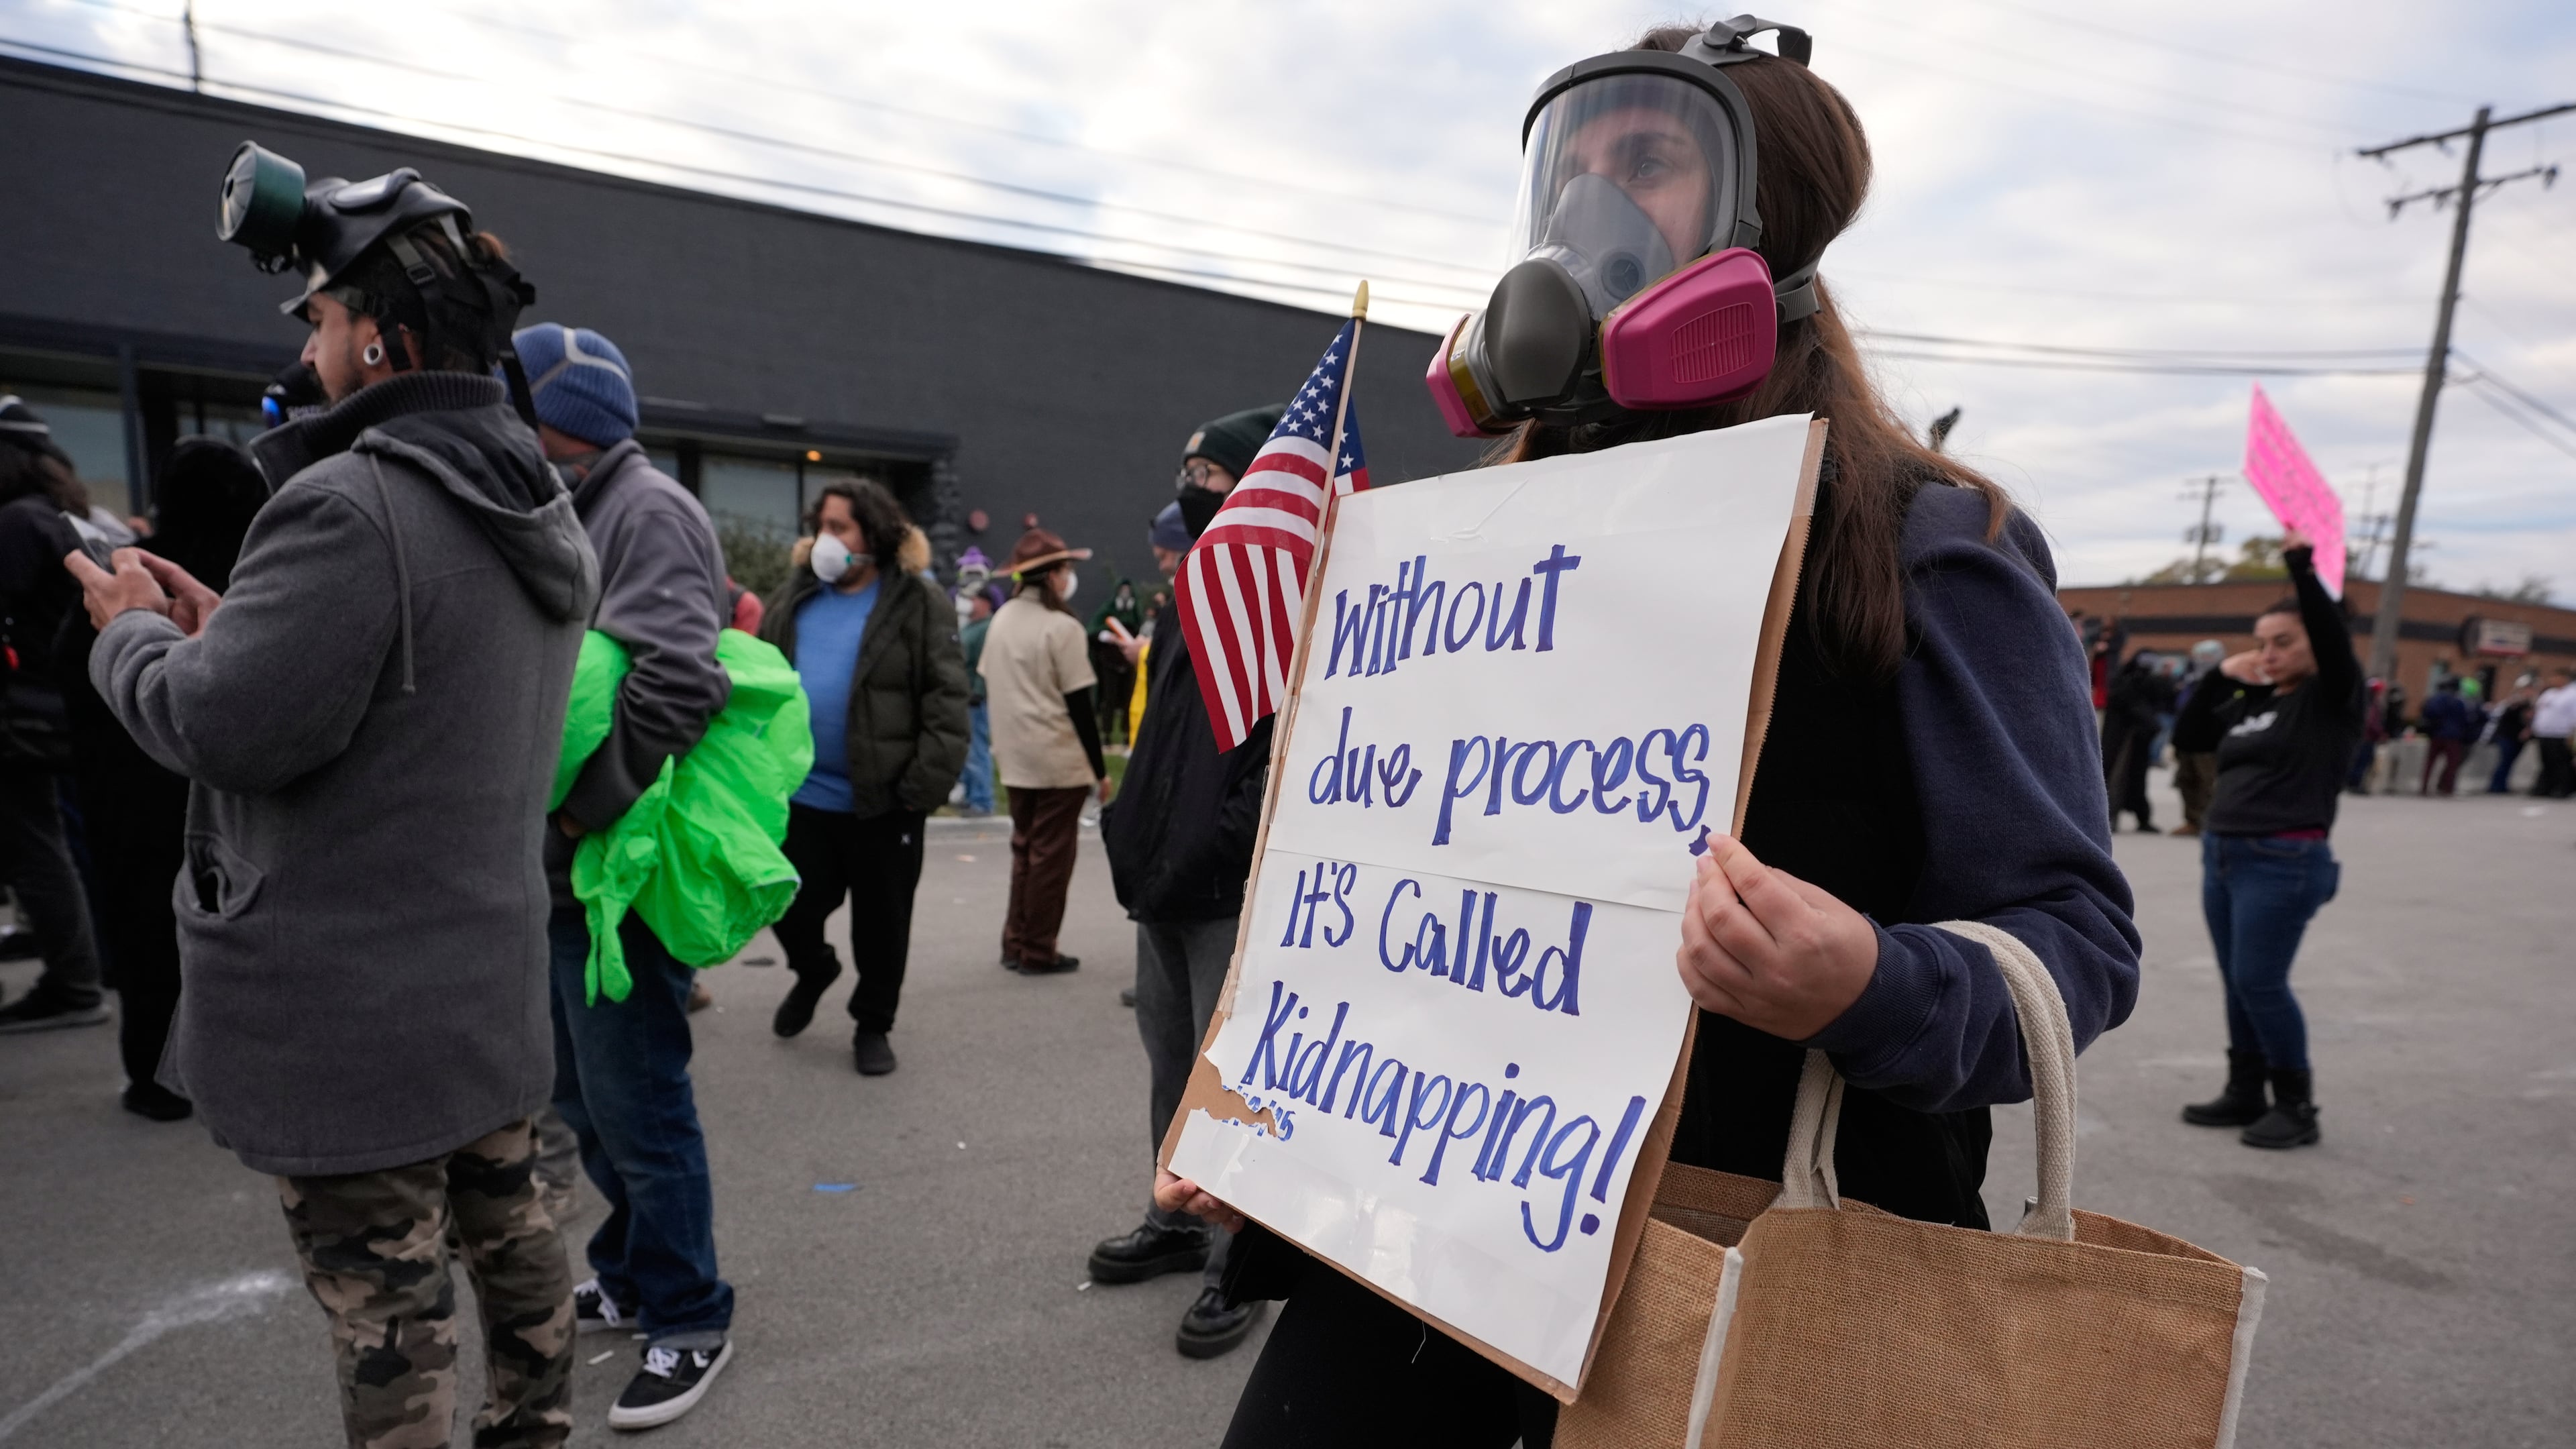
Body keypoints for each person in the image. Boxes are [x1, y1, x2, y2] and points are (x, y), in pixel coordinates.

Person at [1158, 23, 2140, 1445]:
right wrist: (1282, 1108)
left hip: (1753, 1264)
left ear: (1769, 221)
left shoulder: (1929, 547)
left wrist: (1868, 980)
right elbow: (1394, 904)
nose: (1587, 213)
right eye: (1569, 175)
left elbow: (2075, 944)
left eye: (1649, 162)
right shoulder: (1480, 552)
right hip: (1426, 1247)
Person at [69, 152, 590, 1448]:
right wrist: (236, 622)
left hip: (356, 1019)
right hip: (479, 993)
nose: (311, 345)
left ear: (385, 335)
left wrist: (133, 633)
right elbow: (401, 689)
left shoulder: (353, 505)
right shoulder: (532, 496)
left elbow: (219, 727)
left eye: (322, 318)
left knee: (389, 1320)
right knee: (516, 1239)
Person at [513, 322, 743, 1430]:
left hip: (613, 868)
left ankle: (692, 1316)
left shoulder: (644, 510)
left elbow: (676, 688)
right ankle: (634, 1265)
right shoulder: (576, 502)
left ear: (570, 419)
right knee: (585, 1102)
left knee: (640, 1104)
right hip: (572, 878)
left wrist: (575, 812)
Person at [1091, 407, 1282, 1360]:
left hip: (1222, 884)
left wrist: (1220, 841)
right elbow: (1163, 736)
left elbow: (1285, 751)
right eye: (1186, 469)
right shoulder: (1190, 592)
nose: (1188, 486)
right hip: (1161, 879)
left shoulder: (1284, 592)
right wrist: (1133, 827)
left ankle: (1231, 1262)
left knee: (1226, 1082)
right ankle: (1175, 1217)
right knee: (1171, 1064)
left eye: (1208, 473)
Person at [55, 436, 266, 1116]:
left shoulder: (133, 577)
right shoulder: (256, 575)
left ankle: (157, 1076)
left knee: (144, 932)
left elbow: (73, 664)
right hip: (221, 801)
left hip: (126, 793)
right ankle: (228, 1071)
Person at [762, 479, 969, 1073]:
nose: (825, 539)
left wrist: (918, 793)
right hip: (801, 797)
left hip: (885, 802)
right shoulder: (796, 597)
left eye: (840, 527)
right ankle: (814, 969)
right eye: (822, 525)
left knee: (882, 927)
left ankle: (872, 1024)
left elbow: (947, 701)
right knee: (787, 906)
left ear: (874, 535)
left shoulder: (916, 601)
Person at [2169, 527, 2359, 1151]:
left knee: (2260, 981)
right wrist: (2224, 673)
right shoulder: (2255, 700)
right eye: (2262, 644)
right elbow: (2192, 734)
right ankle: (2245, 1088)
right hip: (2222, 854)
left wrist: (2301, 565)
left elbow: (2333, 644)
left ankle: (2297, 1106)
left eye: (2284, 641)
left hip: (2284, 860)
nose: (2270, 653)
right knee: (2237, 979)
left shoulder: (2332, 699)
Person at [0, 397, 111, 1034]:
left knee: (35, 848)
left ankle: (73, 983)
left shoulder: (17, 523)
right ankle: (75, 978)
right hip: (61, 706)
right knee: (46, 844)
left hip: (24, 713)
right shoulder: (61, 517)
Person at [980, 527, 1114, 975]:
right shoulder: (1063, 628)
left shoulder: (1001, 621)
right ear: (1054, 575)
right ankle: (1038, 949)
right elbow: (1081, 706)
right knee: (1051, 860)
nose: (1069, 577)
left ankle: (1014, 942)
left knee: (1025, 852)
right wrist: (1100, 771)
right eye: (1066, 569)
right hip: (1058, 760)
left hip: (1015, 760)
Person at [2100, 648, 2170, 833]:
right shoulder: (2124, 681)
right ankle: (2110, 816)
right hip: (2119, 741)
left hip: (2139, 740)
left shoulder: (2150, 683)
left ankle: (2142, 817)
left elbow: (2162, 699)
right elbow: (2123, 700)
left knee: (2137, 780)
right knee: (2115, 779)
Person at [2169, 639, 2226, 836]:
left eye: (2207, 656)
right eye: (2200, 656)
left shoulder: (2222, 680)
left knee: (2207, 784)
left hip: (2207, 743)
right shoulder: (2189, 679)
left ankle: (2210, 823)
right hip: (2185, 740)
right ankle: (2193, 821)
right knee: (2186, 781)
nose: (2202, 660)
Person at [2417, 676, 2473, 796]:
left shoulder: (2435, 699)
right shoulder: (2458, 701)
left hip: (2437, 735)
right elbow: (2465, 720)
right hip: (2453, 737)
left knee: (2430, 763)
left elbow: (2427, 714)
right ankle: (2447, 789)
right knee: (2451, 764)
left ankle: (2424, 788)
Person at [2529, 667, 2576, 798]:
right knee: (2546, 762)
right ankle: (2545, 788)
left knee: (2561, 763)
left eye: (2556, 677)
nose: (2553, 680)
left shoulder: (2572, 694)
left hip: (2561, 734)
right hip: (2544, 733)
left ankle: (2563, 789)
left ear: (2564, 679)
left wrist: (2572, 735)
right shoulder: (2548, 694)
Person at [2487, 679, 2535, 794]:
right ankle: (2496, 786)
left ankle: (2501, 785)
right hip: (2508, 736)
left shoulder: (2529, 704)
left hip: (2518, 739)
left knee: (2509, 762)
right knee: (2504, 761)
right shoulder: (2515, 703)